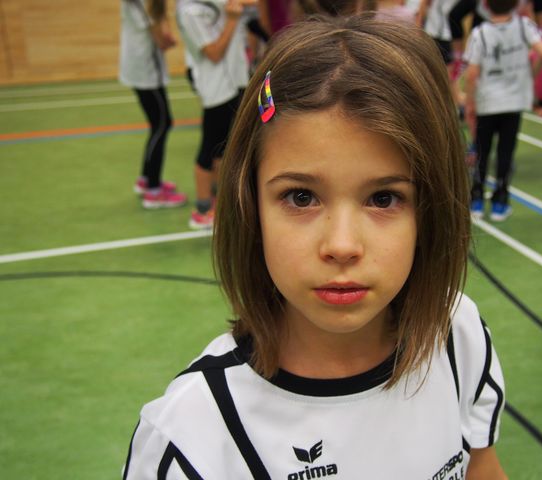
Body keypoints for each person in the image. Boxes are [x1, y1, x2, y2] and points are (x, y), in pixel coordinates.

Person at [122, 14, 507, 479]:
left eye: (384, 198)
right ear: (250, 207)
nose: (341, 246)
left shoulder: (456, 333)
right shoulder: (193, 435)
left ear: (430, 211)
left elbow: (482, 468)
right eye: (301, 197)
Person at [464, 0, 542, 221]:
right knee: (506, 152)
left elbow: (472, 74)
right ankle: (500, 203)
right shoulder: (524, 26)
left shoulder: (479, 33)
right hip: (513, 101)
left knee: (482, 151)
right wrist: (529, 74)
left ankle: (476, 200)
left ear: (486, 5)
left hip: (487, 102)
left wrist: (470, 102)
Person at [176, 0, 256, 230]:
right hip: (215, 88)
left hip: (235, 82)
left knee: (223, 147)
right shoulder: (190, 11)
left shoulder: (217, 3)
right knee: (209, 147)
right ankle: (202, 210)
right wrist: (232, 20)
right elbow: (213, 52)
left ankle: (219, 200)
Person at [119, 0, 188, 209]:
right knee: (162, 124)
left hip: (138, 68)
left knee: (157, 124)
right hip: (146, 72)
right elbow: (162, 41)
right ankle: (153, 191)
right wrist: (170, 39)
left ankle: (147, 179)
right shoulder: (144, 3)